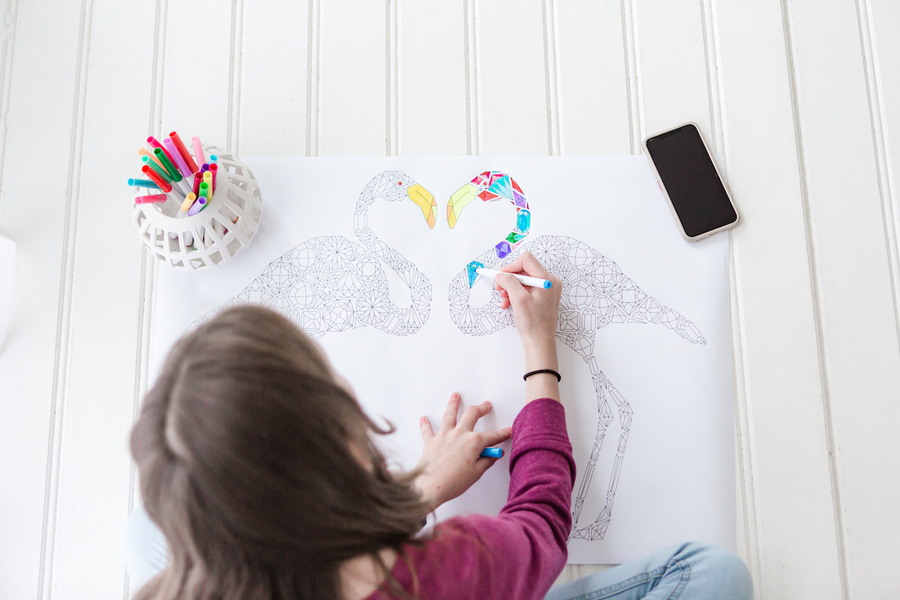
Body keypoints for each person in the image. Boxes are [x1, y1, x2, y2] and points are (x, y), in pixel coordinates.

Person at [125, 252, 753, 600]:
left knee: (152, 526)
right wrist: (541, 353)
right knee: (717, 576)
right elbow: (540, 525)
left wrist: (420, 491)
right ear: (346, 450)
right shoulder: (445, 573)